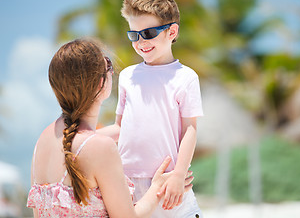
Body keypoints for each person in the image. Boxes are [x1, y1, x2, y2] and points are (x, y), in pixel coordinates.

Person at [26, 38, 194, 218]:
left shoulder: (43, 141)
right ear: (100, 83)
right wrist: (157, 188)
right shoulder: (100, 147)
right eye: (108, 64)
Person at [98, 0, 204, 218]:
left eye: (148, 33)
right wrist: (80, 138)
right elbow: (119, 127)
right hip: (126, 181)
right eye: (133, 35)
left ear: (172, 31)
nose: (140, 42)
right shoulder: (127, 76)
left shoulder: (186, 77)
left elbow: (190, 130)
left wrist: (178, 174)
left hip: (169, 180)